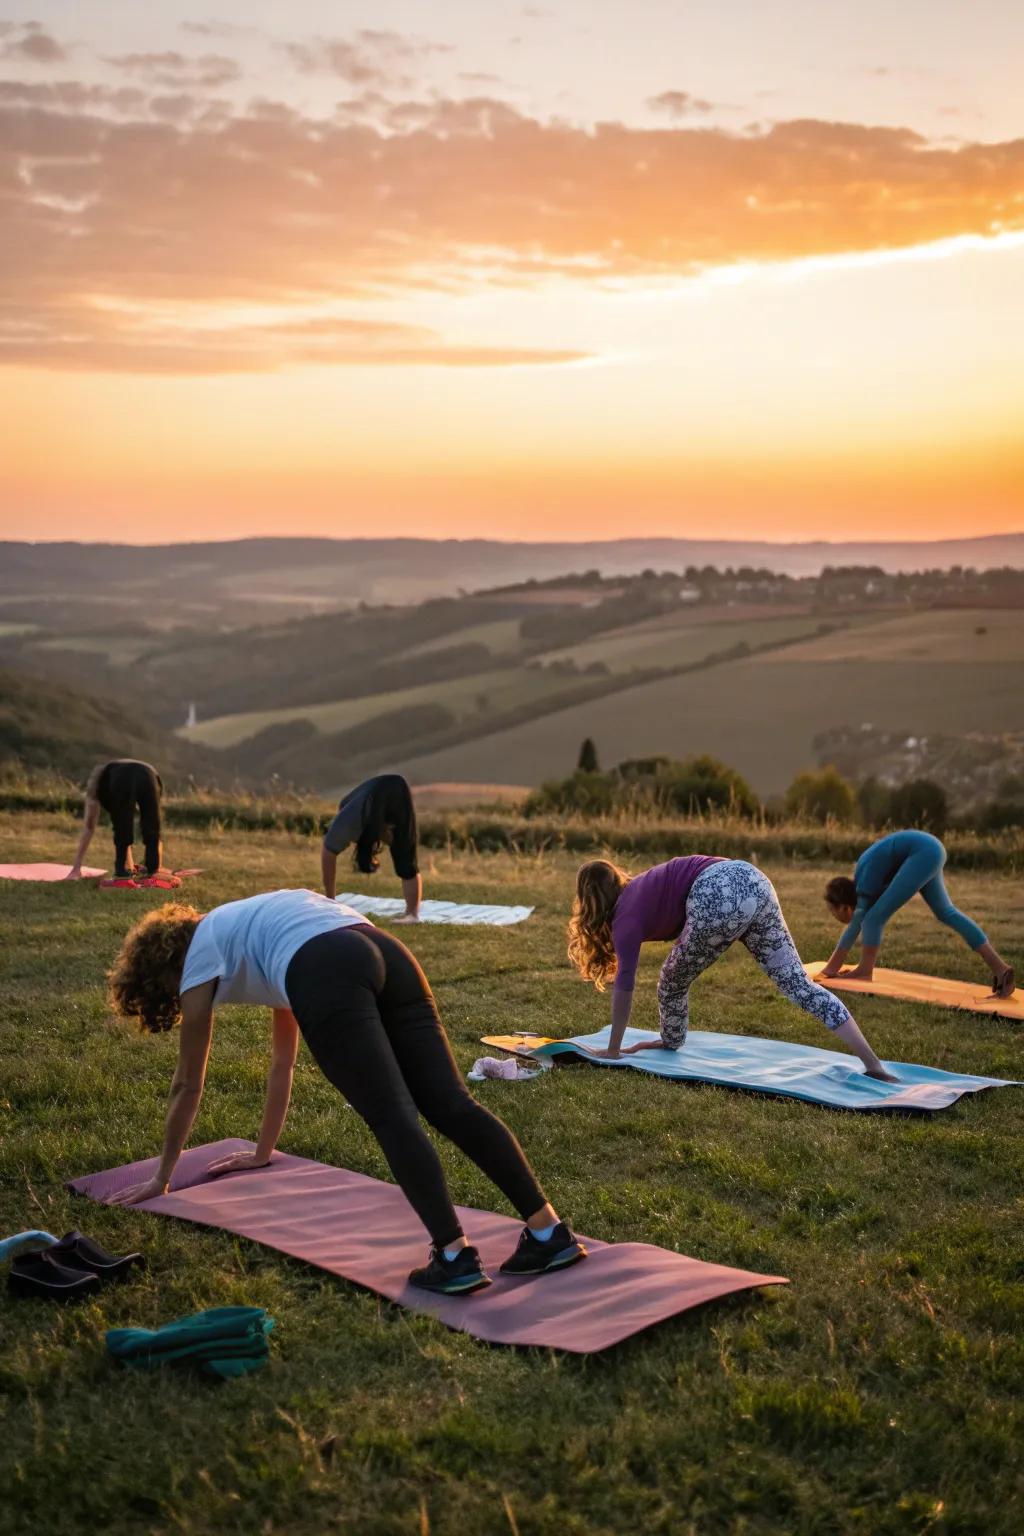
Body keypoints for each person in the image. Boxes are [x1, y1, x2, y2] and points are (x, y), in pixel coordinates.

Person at [104, 889, 586, 1293]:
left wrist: (162, 1176)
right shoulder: (250, 929)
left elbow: (188, 1082)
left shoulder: (199, 959)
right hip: (385, 951)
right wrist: (262, 1151)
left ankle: (454, 1258)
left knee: (392, 1116)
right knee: (452, 1104)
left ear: (162, 967)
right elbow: (282, 1062)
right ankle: (549, 1234)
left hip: (326, 966)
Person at [567, 856, 898, 1081]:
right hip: (753, 879)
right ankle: (873, 1064)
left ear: (590, 899)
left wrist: (612, 1049)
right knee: (800, 985)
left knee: (671, 980)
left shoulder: (625, 917)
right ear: (617, 879)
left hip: (718, 891)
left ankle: (670, 1040)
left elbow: (625, 984)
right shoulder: (641, 887)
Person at [820, 829, 1014, 996]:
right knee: (946, 912)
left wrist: (830, 969)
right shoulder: (867, 884)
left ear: (844, 907)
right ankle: (1001, 968)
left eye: (832, 910)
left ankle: (864, 971)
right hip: (931, 848)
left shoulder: (864, 882)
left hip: (922, 852)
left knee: (872, 920)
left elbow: (857, 924)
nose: (833, 916)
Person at [321, 774, 421, 920]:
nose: (391, 837)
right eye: (389, 831)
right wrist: (331, 901)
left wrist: (412, 915)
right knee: (403, 854)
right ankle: (412, 913)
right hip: (372, 799)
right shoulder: (347, 824)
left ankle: (411, 913)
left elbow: (410, 869)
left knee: (405, 858)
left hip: (395, 791)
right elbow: (328, 854)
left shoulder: (392, 817)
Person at [66, 759, 167, 884]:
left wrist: (76, 868)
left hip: (125, 776)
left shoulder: (101, 783)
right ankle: (152, 872)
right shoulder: (106, 779)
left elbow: (89, 827)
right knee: (151, 826)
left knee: (123, 826)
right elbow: (153, 828)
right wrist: (154, 865)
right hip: (150, 773)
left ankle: (122, 874)